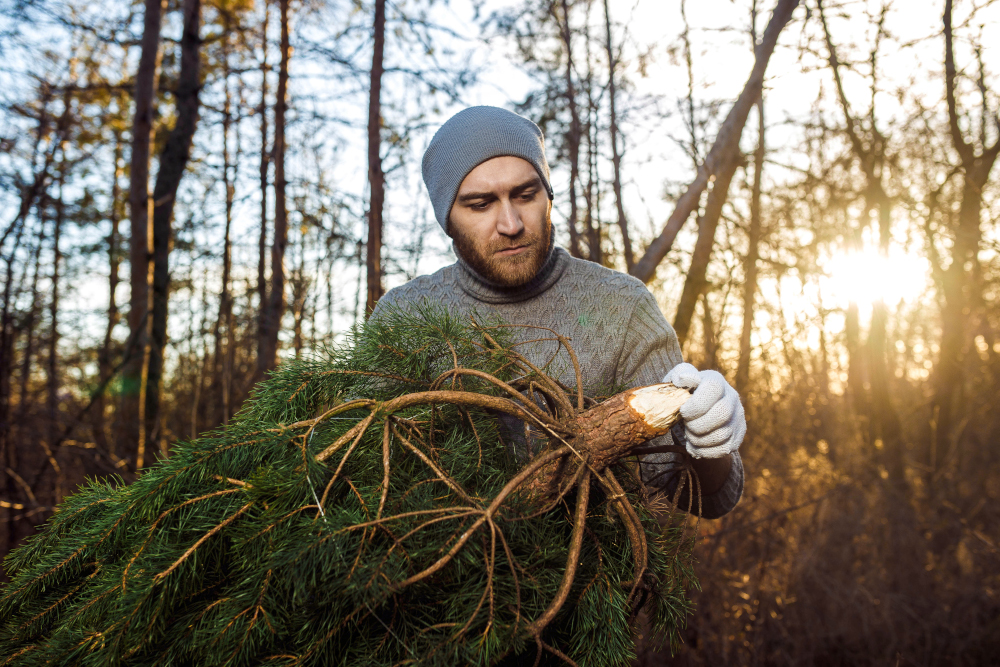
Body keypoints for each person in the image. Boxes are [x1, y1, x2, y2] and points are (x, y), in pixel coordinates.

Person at [371, 106, 744, 518]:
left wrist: (710, 443)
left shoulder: (622, 306)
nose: (511, 224)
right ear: (448, 219)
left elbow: (693, 494)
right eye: (480, 204)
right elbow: (364, 484)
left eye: (525, 195)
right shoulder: (402, 316)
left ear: (548, 195)